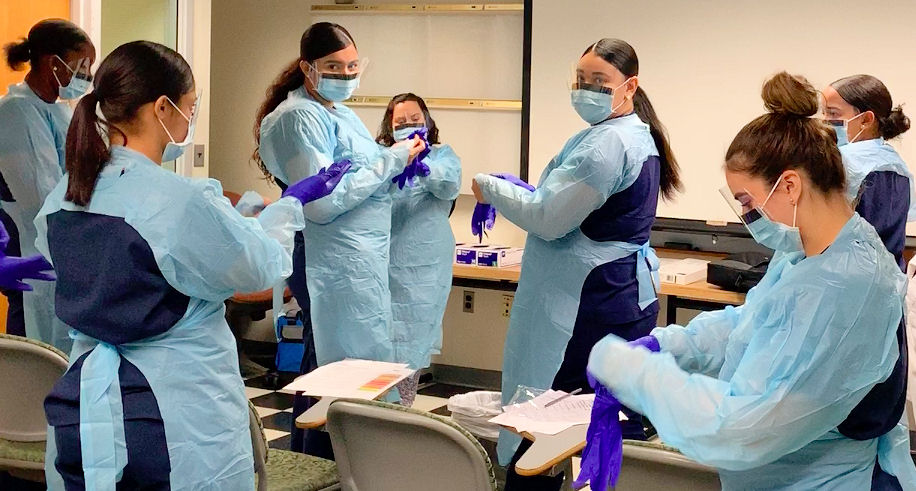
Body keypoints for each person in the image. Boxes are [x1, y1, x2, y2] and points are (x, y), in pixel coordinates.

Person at [37, 40, 345, 489]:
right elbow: (256, 266)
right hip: (171, 412)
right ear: (163, 108)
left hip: (86, 405)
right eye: (190, 106)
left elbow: (133, 257)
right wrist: (288, 205)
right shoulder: (177, 200)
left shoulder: (69, 191)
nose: (190, 116)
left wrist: (228, 219)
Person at [586, 72, 916, 490]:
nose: (748, 215)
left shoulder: (848, 285)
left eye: (746, 200)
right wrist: (667, 346)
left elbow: (743, 427)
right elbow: (754, 322)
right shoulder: (810, 250)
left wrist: (634, 372)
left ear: (790, 186)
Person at [470, 38, 681, 488]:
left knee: (545, 417)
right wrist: (526, 192)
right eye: (581, 80)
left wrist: (493, 188)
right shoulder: (631, 134)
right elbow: (571, 204)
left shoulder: (606, 144)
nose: (586, 90)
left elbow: (548, 218)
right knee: (605, 417)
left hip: (587, 303)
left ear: (630, 86)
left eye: (599, 81)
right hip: (618, 293)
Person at [254, 22, 425, 455]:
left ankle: (337, 461)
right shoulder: (299, 117)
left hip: (356, 259)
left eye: (352, 66)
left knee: (348, 369)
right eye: (334, 66)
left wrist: (394, 166)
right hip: (329, 256)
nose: (346, 75)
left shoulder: (335, 110)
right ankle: (320, 465)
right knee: (331, 372)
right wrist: (390, 161)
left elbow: (358, 175)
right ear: (307, 68)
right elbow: (321, 202)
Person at [0, 19, 94, 348]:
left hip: (61, 248)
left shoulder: (58, 112)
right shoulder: (15, 112)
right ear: (53, 64)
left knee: (59, 349)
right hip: (30, 249)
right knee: (32, 348)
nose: (87, 76)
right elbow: (43, 197)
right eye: (83, 66)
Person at [376, 93, 461, 407]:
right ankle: (380, 414)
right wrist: (397, 160)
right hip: (385, 263)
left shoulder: (442, 155)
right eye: (401, 123)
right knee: (384, 339)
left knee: (413, 342)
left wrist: (423, 167)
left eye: (415, 121)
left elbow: (449, 185)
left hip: (426, 265)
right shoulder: (383, 157)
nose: (409, 127)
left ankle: (403, 409)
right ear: (390, 126)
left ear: (428, 122)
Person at [822, 75, 913, 270]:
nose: (824, 121)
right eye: (824, 113)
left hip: (849, 280)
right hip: (879, 280)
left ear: (866, 119)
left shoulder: (853, 165)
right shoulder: (893, 165)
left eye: (833, 113)